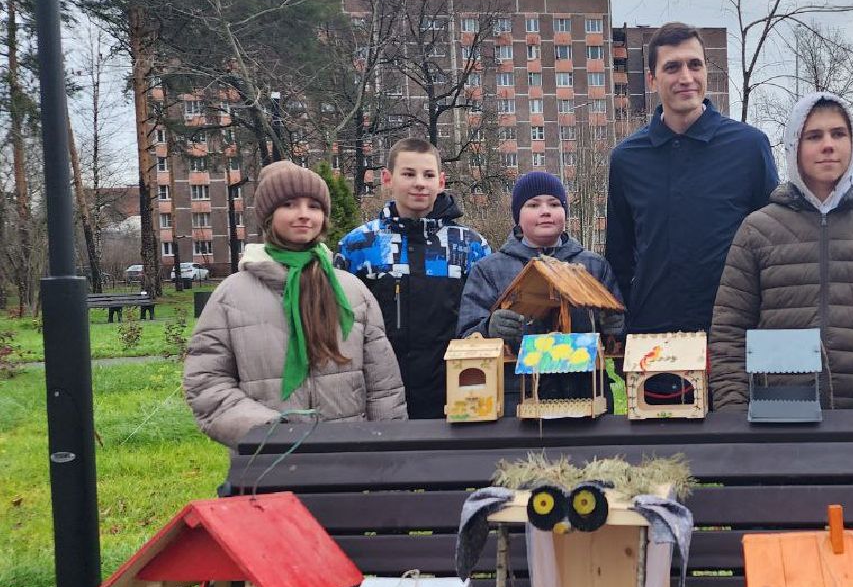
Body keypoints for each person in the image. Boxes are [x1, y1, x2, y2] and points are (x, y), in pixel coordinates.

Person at [710, 92, 853, 409]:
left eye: (838, 134)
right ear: (794, 147)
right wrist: (734, 412)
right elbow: (729, 332)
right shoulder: (758, 230)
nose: (828, 145)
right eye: (814, 136)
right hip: (780, 419)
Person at [183, 161, 407, 448]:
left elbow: (382, 387)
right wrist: (268, 432)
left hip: (348, 459)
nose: (303, 215)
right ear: (268, 216)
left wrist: (389, 454)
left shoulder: (351, 291)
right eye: (289, 204)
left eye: (313, 206)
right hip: (267, 464)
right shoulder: (232, 295)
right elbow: (206, 383)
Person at [605, 22, 777, 334]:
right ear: (652, 78)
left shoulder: (749, 147)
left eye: (694, 65)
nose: (686, 78)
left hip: (736, 333)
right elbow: (619, 258)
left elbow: (773, 246)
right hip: (653, 339)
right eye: (672, 67)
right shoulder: (627, 160)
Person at [335, 138, 491, 418]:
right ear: (387, 178)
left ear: (441, 182)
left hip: (455, 395)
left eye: (428, 175)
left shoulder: (470, 247)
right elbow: (343, 328)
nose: (419, 183)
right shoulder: (358, 246)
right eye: (408, 173)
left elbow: (483, 320)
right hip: (380, 397)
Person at [455, 171, 624, 406]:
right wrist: (488, 328)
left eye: (554, 204)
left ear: (565, 212)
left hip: (587, 396)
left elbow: (618, 338)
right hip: (519, 401)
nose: (545, 211)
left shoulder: (593, 266)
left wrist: (615, 329)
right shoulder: (489, 270)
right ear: (517, 216)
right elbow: (466, 338)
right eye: (533, 204)